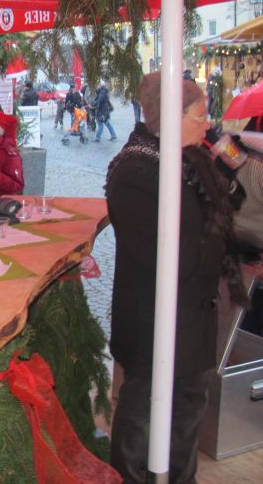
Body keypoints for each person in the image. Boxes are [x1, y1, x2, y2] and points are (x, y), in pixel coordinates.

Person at [105, 72, 248, 483]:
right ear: (171, 116)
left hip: (192, 317)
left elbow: (233, 201)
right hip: (153, 321)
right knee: (143, 420)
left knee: (186, 416)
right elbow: (161, 254)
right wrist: (219, 245)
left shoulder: (189, 158)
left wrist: (226, 159)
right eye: (200, 116)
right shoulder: (135, 170)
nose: (208, 123)